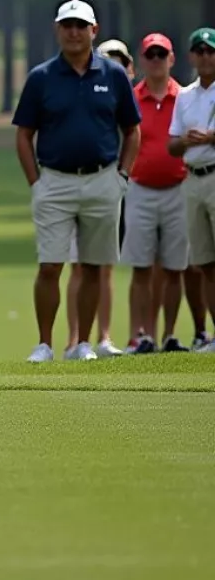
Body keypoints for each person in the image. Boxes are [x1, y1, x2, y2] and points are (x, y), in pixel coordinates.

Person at [15, 0, 141, 363]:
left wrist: (122, 176)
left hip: (103, 180)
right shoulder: (41, 77)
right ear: (58, 29)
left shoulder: (114, 75)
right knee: (50, 265)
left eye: (80, 26)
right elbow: (24, 134)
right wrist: (35, 182)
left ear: (93, 31)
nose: (73, 32)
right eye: (67, 25)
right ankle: (44, 344)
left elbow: (132, 131)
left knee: (90, 265)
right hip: (54, 181)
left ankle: (83, 343)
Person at [119, 34, 189, 352]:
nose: (157, 60)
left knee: (174, 267)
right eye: (151, 54)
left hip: (178, 188)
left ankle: (169, 334)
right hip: (141, 189)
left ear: (172, 59)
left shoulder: (185, 98)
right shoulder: (131, 97)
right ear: (143, 60)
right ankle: (140, 335)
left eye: (162, 54)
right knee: (141, 267)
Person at [167, 26, 215, 352]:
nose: (206, 56)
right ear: (191, 57)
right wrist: (186, 141)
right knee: (204, 263)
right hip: (192, 179)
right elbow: (172, 145)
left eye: (211, 50)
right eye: (199, 51)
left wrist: (211, 138)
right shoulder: (184, 95)